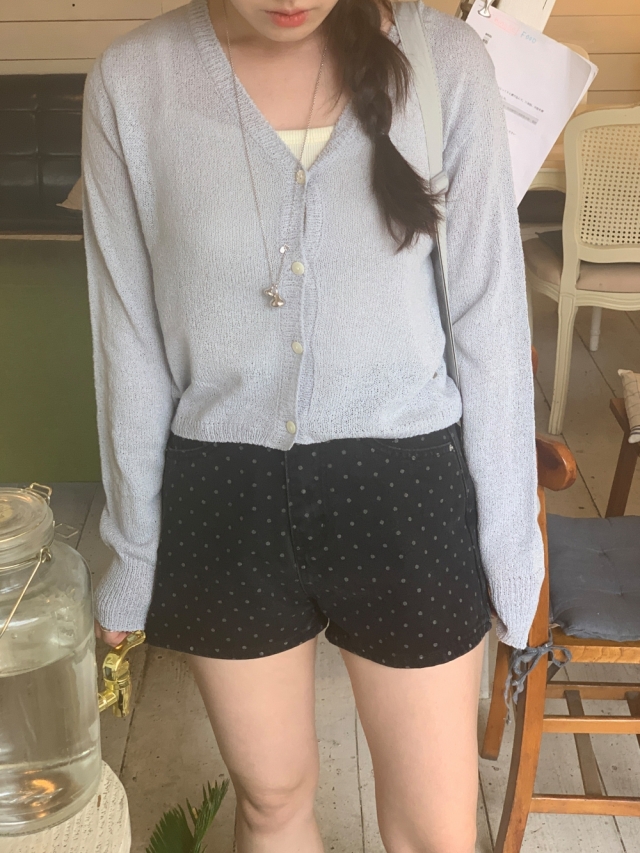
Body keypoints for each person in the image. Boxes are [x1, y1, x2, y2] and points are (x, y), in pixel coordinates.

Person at [82, 0, 544, 849]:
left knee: (435, 830)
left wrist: (512, 548)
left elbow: (490, 322)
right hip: (225, 491)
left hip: (406, 485)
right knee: (271, 801)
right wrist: (133, 552)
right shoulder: (133, 82)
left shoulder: (445, 64)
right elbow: (129, 341)